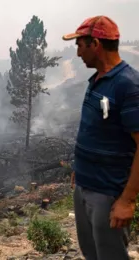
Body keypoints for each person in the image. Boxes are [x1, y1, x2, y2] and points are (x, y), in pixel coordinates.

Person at [62, 15, 139, 260]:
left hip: (108, 192)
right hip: (85, 185)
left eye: (80, 46)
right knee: (91, 253)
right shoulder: (97, 80)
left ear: (95, 44)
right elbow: (96, 131)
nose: (77, 54)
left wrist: (127, 200)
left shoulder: (127, 85)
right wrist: (80, 168)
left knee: (110, 255)